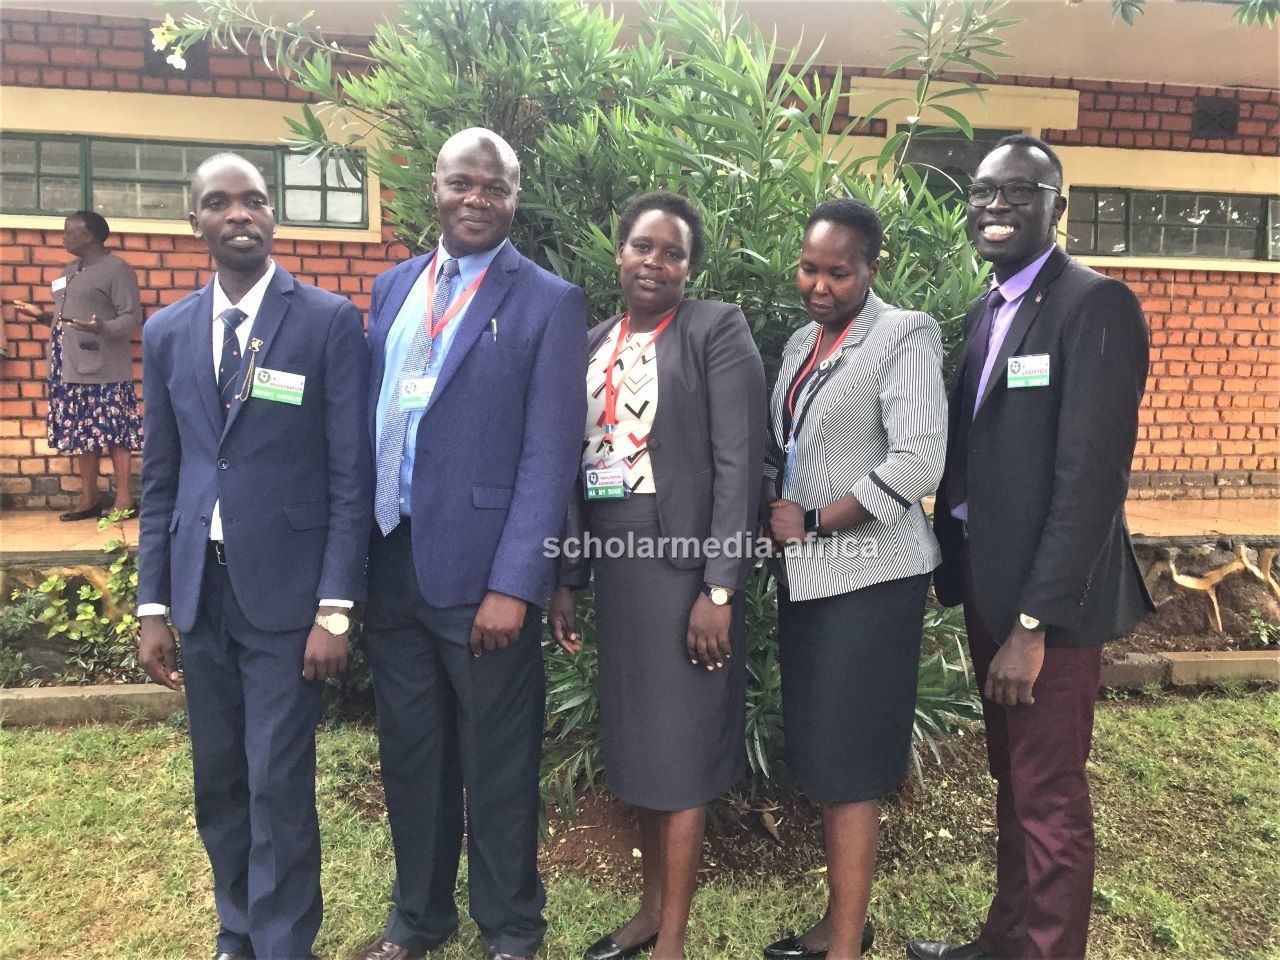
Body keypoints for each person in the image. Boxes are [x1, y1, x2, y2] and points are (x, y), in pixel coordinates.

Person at [910, 135, 1154, 960]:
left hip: (1050, 606)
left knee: (1048, 795)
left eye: (1020, 190)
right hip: (989, 580)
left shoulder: (1096, 304)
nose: (996, 206)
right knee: (1011, 781)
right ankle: (1005, 939)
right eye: (983, 191)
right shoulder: (990, 309)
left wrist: (1032, 623)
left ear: (1061, 206)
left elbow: (1091, 480)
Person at [356, 128, 588, 960]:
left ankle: (512, 929)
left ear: (515, 197)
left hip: (483, 576)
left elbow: (551, 453)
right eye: (463, 183)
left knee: (497, 765)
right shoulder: (391, 288)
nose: (477, 198)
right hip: (391, 564)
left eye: (495, 186)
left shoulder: (548, 301)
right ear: (436, 188)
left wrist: (516, 583)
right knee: (412, 760)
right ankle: (417, 922)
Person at [135, 153, 372, 960]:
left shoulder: (328, 320)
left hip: (289, 601)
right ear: (193, 220)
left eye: (255, 200)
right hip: (201, 596)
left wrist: (336, 606)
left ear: (272, 215)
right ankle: (235, 925)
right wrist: (152, 604)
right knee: (221, 781)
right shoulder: (166, 333)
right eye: (219, 203)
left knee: (277, 780)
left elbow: (351, 474)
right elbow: (161, 478)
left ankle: (281, 939)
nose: (240, 214)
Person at [549, 192, 767, 960]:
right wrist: (568, 576)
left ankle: (671, 940)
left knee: (679, 751)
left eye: (672, 252)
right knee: (640, 745)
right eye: (643, 246)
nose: (655, 262)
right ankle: (648, 915)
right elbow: (566, 468)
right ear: (619, 254)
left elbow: (740, 463)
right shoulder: (590, 340)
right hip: (617, 570)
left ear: (689, 267)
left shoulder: (715, 329)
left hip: (682, 571)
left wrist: (720, 588)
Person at [761, 198, 947, 960]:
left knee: (851, 766)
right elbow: (794, 446)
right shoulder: (802, 341)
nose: (820, 284)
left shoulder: (903, 334)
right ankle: (842, 924)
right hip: (809, 582)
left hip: (870, 579)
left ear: (873, 267)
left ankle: (844, 944)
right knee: (826, 757)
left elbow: (919, 458)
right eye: (810, 267)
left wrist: (815, 522)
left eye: (839, 271)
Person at [11, 211, 143, 520]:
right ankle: (89, 499)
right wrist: (43, 316)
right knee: (84, 433)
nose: (63, 238)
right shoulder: (70, 270)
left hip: (105, 369)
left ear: (90, 236)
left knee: (116, 433)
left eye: (69, 233)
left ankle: (124, 499)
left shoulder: (117, 270)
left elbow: (131, 317)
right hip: (67, 367)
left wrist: (102, 327)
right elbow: (67, 320)